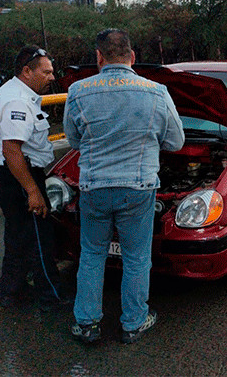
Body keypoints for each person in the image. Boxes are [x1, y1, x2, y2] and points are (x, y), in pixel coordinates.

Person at [64, 28, 185, 344]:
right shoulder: (156, 92)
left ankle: (87, 324)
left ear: (99, 57)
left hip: (94, 188)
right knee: (136, 257)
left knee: (91, 254)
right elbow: (176, 140)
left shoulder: (78, 91)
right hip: (138, 188)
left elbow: (75, 140)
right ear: (132, 57)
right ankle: (133, 323)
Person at [0, 45, 67, 311]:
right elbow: (11, 150)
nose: (52, 77)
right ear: (26, 71)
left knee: (17, 235)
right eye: (46, 72)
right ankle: (51, 298)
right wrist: (32, 191)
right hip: (19, 175)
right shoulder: (17, 102)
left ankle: (12, 293)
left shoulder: (21, 94)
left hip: (13, 175)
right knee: (39, 238)